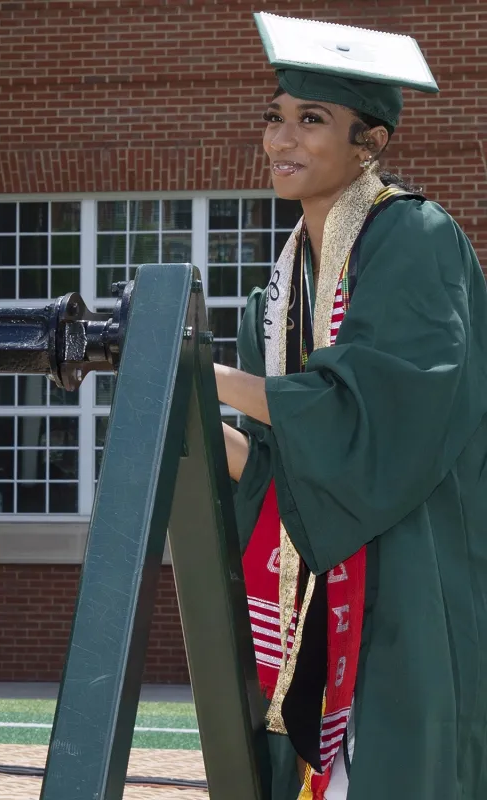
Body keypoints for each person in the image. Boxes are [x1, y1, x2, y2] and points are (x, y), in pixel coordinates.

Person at [216, 12, 487, 800]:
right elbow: (277, 459)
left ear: (369, 144)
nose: (281, 139)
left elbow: (378, 408)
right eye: (274, 116)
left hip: (408, 567)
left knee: (393, 765)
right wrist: (180, 424)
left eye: (312, 120)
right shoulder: (276, 295)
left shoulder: (416, 237)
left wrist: (207, 380)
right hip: (308, 585)